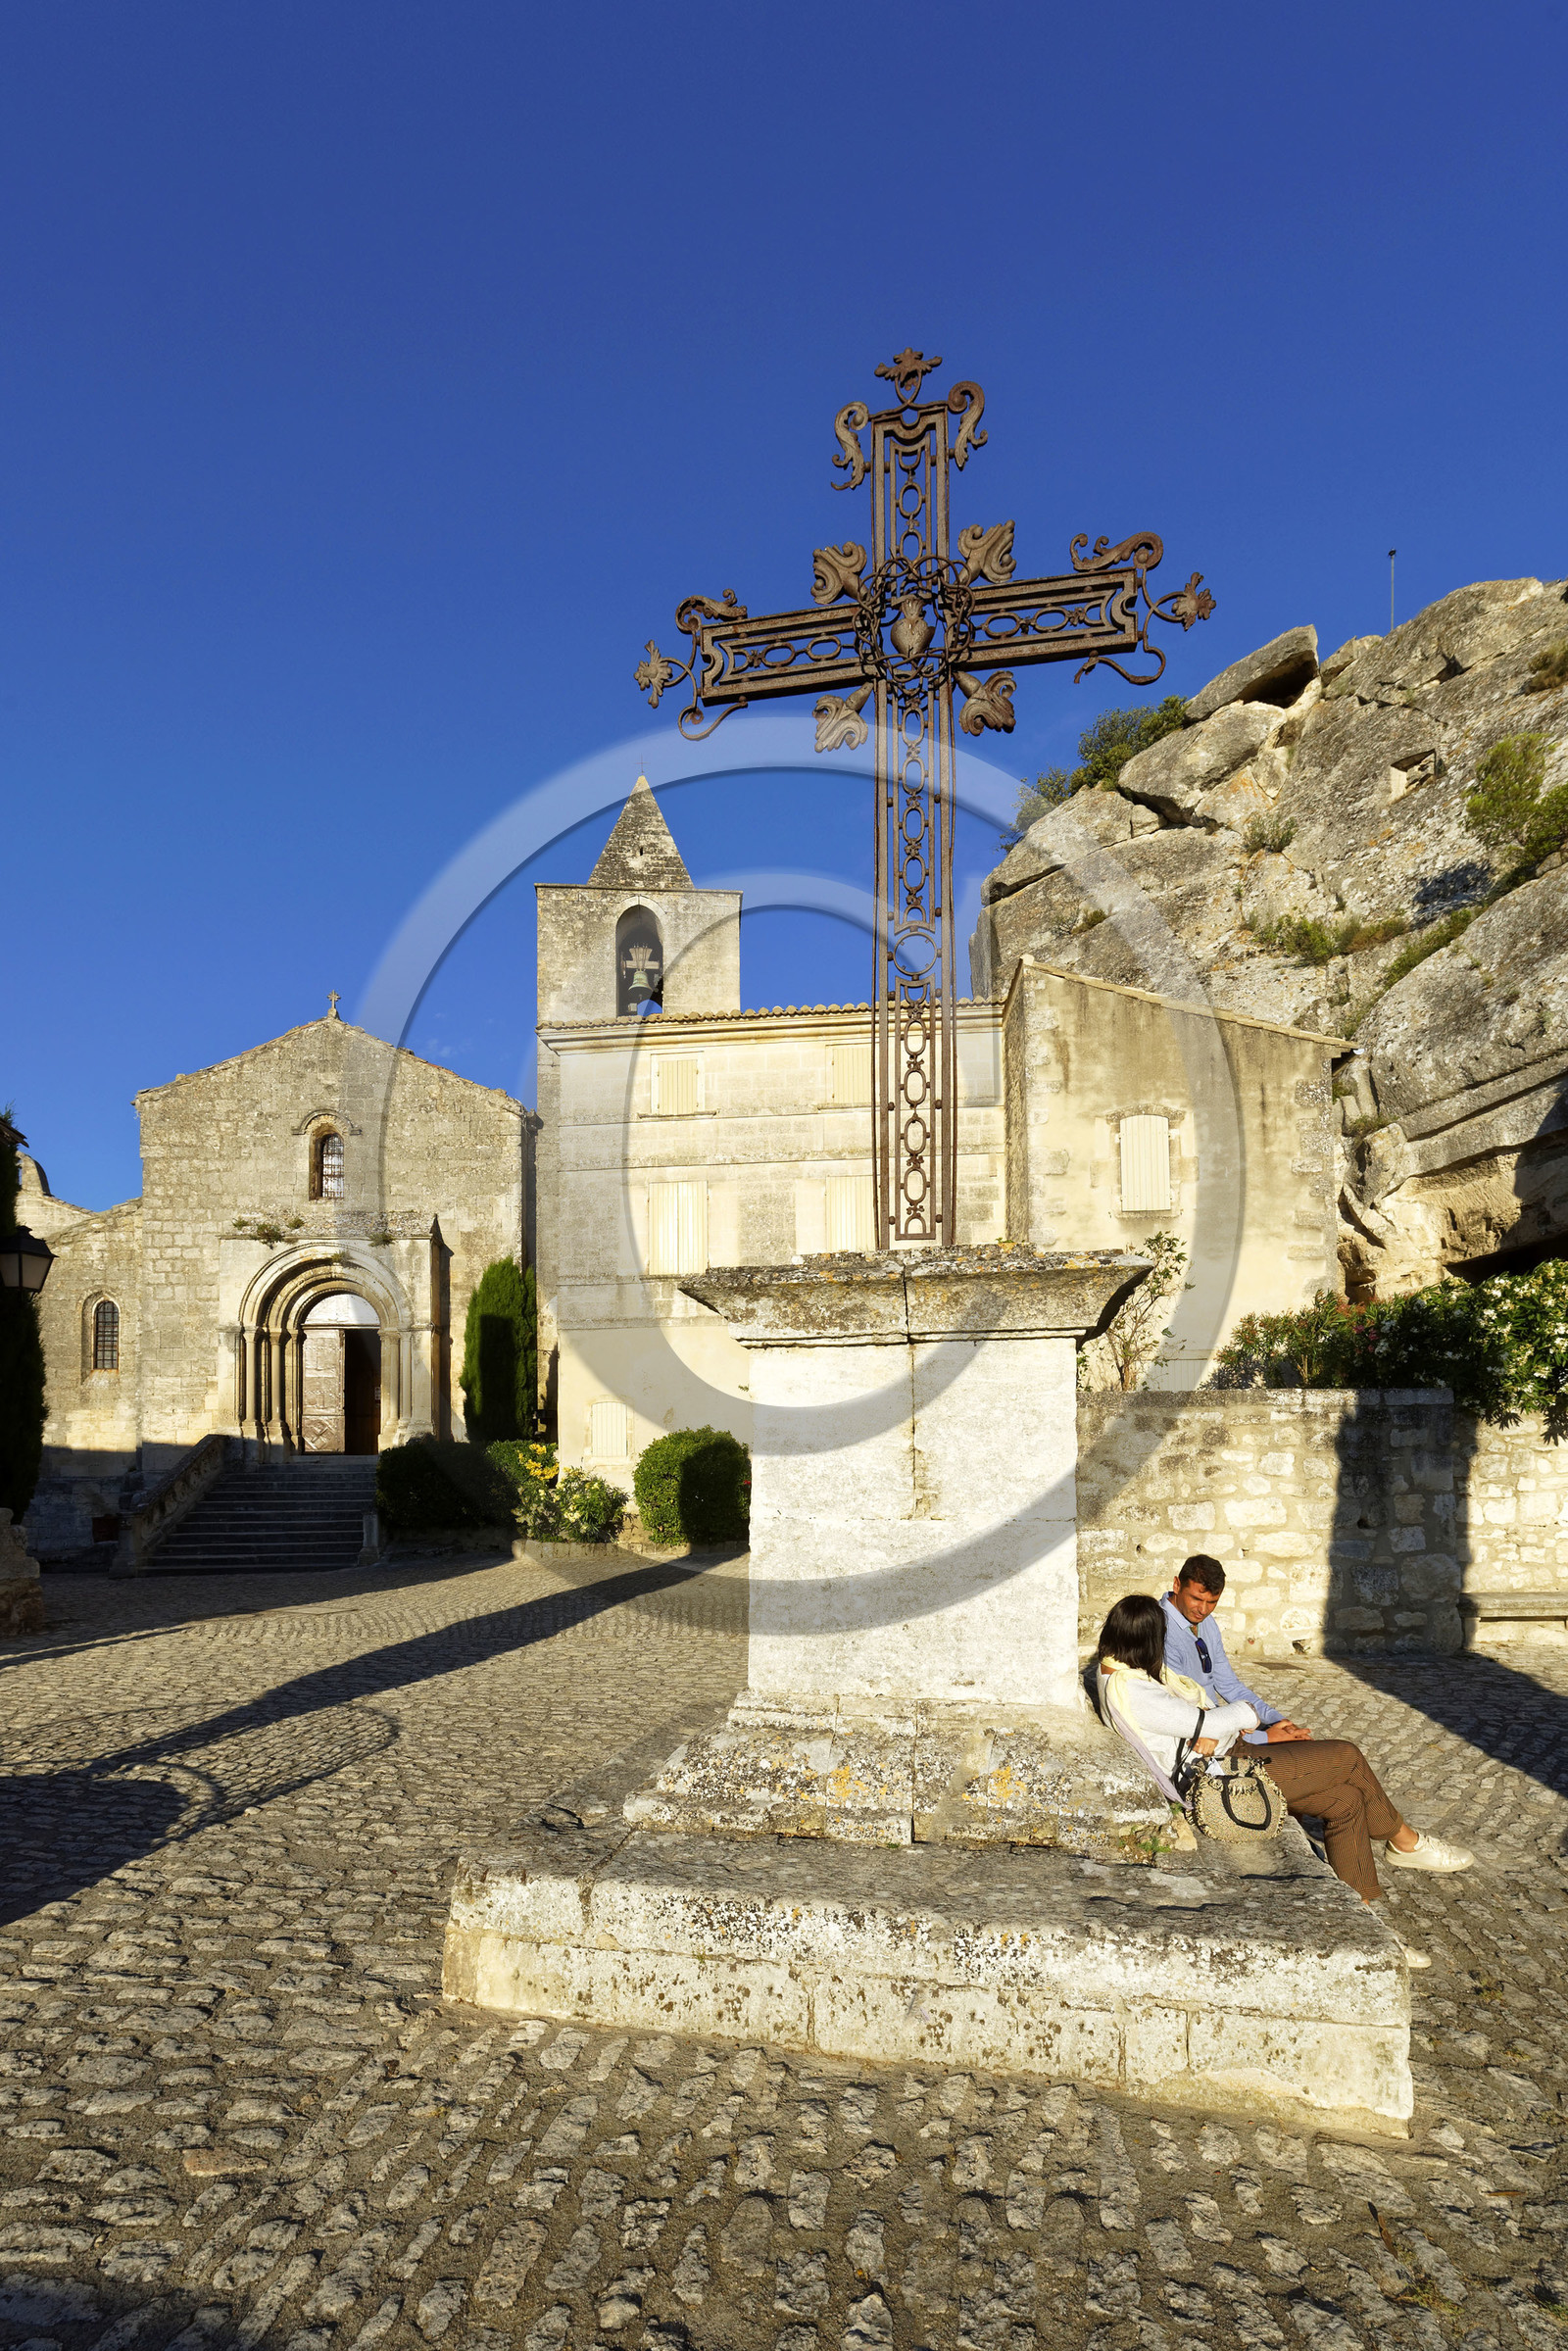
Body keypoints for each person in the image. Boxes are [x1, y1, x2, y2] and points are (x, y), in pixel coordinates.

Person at [1158, 1555, 1472, 1940]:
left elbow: (1232, 1686)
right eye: (1196, 1600)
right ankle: (1404, 1841)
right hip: (1218, 1763)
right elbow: (1193, 1722)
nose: (1203, 1610)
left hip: (1236, 1740)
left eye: (1211, 1603)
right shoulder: (1159, 1634)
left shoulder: (1205, 1625)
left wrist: (1276, 1721)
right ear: (1177, 1584)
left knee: (1345, 1800)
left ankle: (1364, 1924)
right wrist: (1263, 1738)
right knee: (1346, 1756)